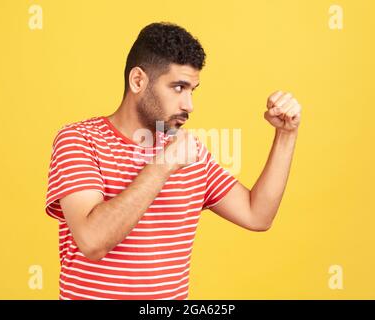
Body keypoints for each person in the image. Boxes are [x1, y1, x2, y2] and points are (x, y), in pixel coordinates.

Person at [45, 22, 302, 300]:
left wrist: (286, 134)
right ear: (138, 81)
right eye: (178, 87)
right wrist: (163, 165)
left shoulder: (190, 153)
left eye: (193, 90)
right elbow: (92, 241)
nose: (189, 105)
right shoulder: (79, 140)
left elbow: (257, 215)